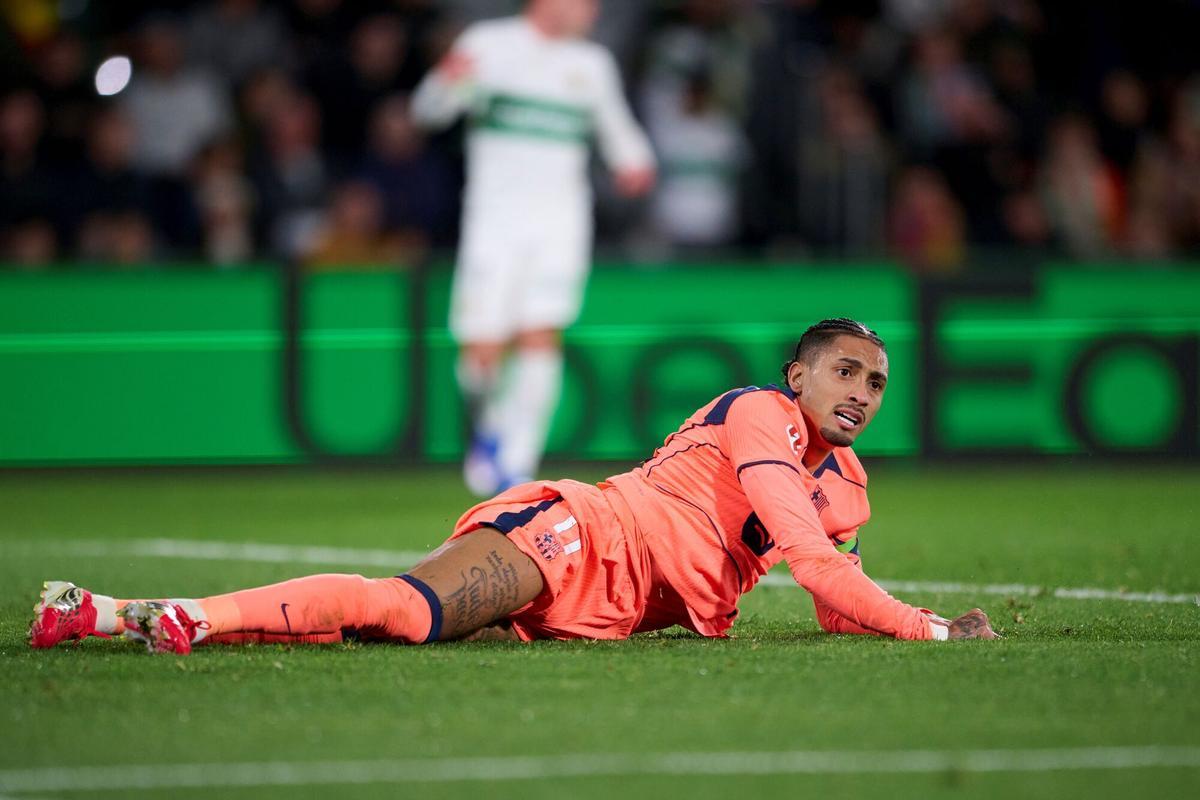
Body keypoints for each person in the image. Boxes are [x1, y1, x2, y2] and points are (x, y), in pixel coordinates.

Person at [30, 319, 998, 654]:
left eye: (876, 382)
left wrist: (906, 618)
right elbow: (814, 565)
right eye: (844, 372)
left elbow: (837, 606)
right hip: (585, 534)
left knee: (385, 627)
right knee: (406, 611)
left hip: (616, 607)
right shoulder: (760, 415)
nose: (861, 393)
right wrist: (934, 628)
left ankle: (103, 615)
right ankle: (154, 612)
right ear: (799, 375)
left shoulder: (850, 482)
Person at [409, 0, 656, 496]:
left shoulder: (591, 64)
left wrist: (635, 163)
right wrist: (446, 80)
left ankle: (517, 464)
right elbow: (428, 111)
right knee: (481, 349)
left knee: (541, 335)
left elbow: (620, 135)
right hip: (493, 226)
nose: (593, 9)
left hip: (561, 226)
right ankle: (491, 432)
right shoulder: (487, 45)